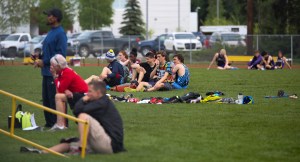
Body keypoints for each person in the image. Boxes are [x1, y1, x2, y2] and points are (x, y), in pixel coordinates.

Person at [20, 80, 125, 155]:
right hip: (103, 141)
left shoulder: (103, 102)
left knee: (83, 116)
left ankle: (81, 148)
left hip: (111, 144)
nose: (87, 94)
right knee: (68, 144)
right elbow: (76, 110)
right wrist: (84, 100)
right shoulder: (96, 101)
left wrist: (83, 100)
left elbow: (79, 112)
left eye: (90, 92)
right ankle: (42, 152)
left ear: (98, 93)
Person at [34, 8, 67, 128]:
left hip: (55, 73)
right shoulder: (51, 32)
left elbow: (61, 55)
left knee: (55, 100)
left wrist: (45, 62)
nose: (47, 17)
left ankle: (60, 124)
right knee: (47, 100)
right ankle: (49, 124)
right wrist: (39, 56)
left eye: (49, 15)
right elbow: (49, 51)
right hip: (46, 73)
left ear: (56, 18)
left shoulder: (60, 33)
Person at [48, 54, 88, 131]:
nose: (51, 67)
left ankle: (60, 125)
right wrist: (65, 89)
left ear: (58, 66)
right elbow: (61, 87)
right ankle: (62, 124)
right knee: (59, 97)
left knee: (58, 97)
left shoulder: (66, 72)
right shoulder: (64, 71)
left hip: (82, 95)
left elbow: (60, 89)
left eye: (52, 65)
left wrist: (54, 75)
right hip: (79, 94)